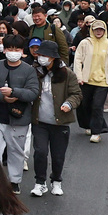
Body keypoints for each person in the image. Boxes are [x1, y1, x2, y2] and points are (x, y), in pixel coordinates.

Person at [0, 35, 39, 192]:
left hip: (19, 118)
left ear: (22, 51)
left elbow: (33, 92)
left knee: (16, 151)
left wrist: (15, 93)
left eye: (17, 49)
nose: (13, 52)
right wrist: (1, 96)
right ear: (4, 50)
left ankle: (14, 181)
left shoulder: (29, 70)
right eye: (10, 49)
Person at [29, 41, 80, 197]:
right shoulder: (34, 71)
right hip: (40, 122)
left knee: (58, 155)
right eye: (40, 55)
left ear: (53, 57)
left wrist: (68, 104)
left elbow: (77, 94)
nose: (41, 58)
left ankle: (56, 181)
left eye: (45, 55)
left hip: (60, 123)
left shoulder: (67, 74)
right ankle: (40, 183)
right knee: (40, 152)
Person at [72, 18, 108, 143]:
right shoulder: (85, 43)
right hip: (86, 80)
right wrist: (79, 76)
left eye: (101, 30)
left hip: (103, 81)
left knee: (97, 106)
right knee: (84, 105)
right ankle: (88, 125)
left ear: (105, 31)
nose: (99, 32)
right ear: (92, 30)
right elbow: (77, 60)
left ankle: (97, 131)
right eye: (96, 29)